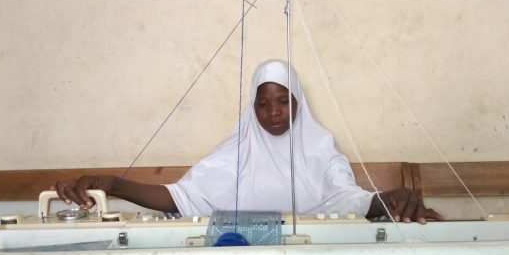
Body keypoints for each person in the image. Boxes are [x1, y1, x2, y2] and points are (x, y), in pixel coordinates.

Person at [53, 60, 444, 224]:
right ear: (252, 108)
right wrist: (114, 184)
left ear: (297, 104)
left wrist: (387, 200)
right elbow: (180, 198)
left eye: (282, 102)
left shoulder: (320, 149)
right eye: (263, 104)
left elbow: (350, 201)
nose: (273, 113)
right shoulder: (235, 155)